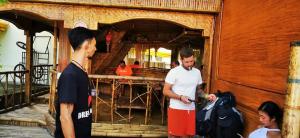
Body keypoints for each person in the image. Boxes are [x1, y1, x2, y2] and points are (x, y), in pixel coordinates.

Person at [163, 47, 216, 138]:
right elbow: (165, 91)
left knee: (188, 136)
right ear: (181, 60)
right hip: (176, 109)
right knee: (173, 136)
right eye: (186, 62)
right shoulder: (174, 72)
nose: (189, 64)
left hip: (190, 109)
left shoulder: (197, 72)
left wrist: (207, 96)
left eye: (191, 61)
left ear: (194, 58)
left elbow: (199, 91)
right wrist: (180, 97)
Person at [55, 27, 96, 138]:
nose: (95, 48)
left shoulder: (82, 73)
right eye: (94, 45)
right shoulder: (70, 75)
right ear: (86, 45)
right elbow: (65, 117)